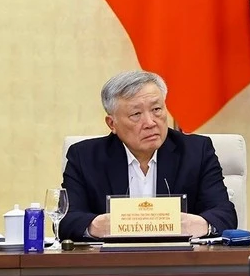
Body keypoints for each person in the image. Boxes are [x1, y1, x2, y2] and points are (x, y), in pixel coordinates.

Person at [58, 70, 237, 240]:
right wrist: (98, 225)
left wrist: (193, 224)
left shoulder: (196, 151)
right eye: (136, 114)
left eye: (157, 109)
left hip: (180, 265)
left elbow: (224, 215)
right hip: (111, 266)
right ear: (112, 123)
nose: (150, 122)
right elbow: (66, 220)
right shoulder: (84, 157)